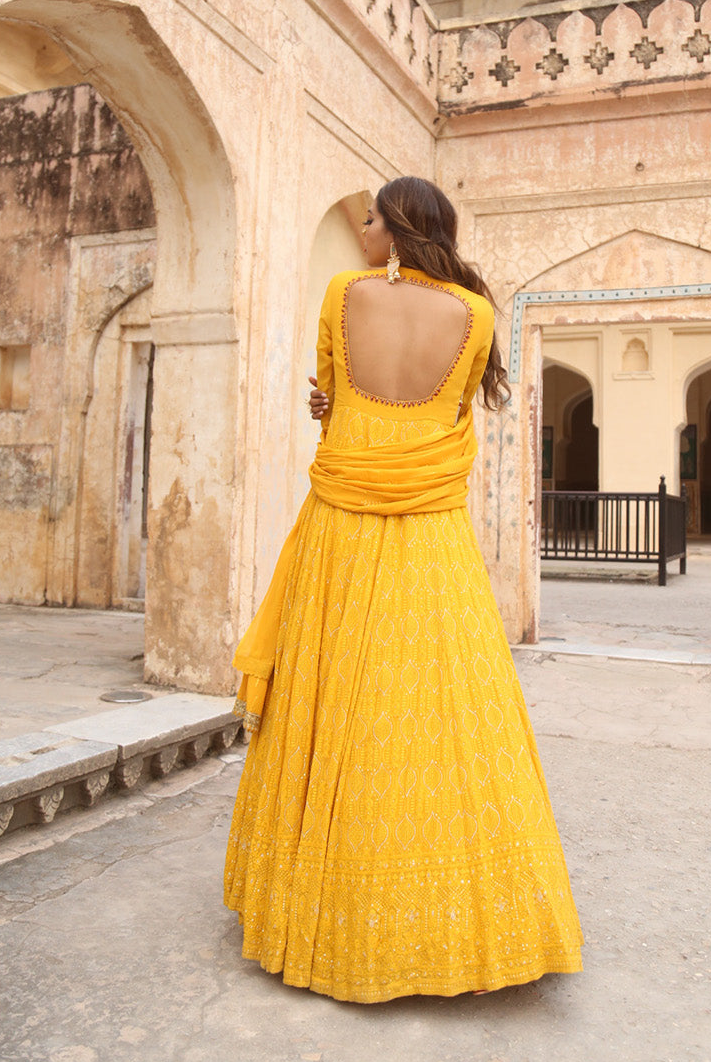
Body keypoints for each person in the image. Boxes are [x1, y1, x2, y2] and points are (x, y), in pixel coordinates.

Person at [224, 176, 583, 1002]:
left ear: (401, 229)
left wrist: (340, 405)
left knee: (332, 696)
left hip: (340, 529)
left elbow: (331, 402)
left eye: (374, 215)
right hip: (429, 536)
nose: (362, 222)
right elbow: (451, 411)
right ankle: (443, 917)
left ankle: (323, 905)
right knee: (437, 709)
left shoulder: (344, 294)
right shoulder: (477, 315)